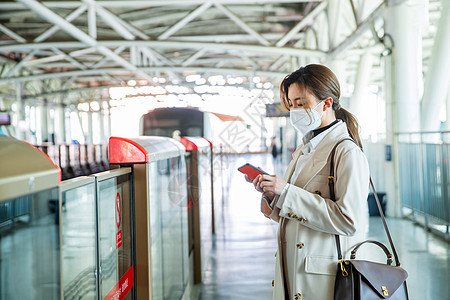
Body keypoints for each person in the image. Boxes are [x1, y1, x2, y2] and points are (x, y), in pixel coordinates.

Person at [245, 64, 370, 300]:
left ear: (327, 103)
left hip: (322, 277)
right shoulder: (304, 149)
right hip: (293, 269)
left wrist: (287, 192)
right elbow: (294, 207)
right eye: (291, 104)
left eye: (300, 103)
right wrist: (274, 195)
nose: (294, 110)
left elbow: (349, 220)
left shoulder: (346, 152)